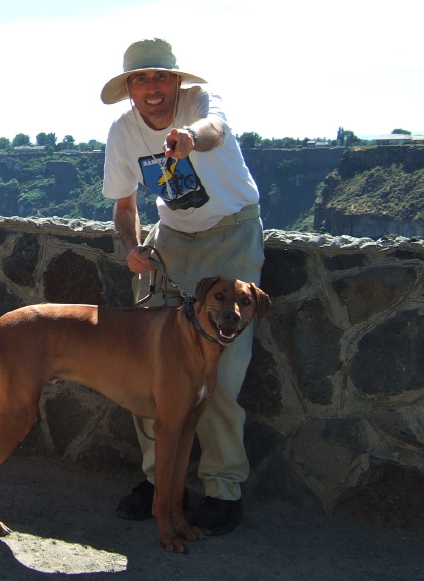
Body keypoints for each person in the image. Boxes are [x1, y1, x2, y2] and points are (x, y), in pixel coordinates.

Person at [101, 38, 264, 536]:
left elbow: (213, 131)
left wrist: (189, 137)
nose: (152, 88)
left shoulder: (201, 107)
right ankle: (160, 484)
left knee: (220, 372)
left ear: (178, 81)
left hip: (229, 235)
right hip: (171, 241)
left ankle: (222, 488)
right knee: (148, 368)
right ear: (130, 89)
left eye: (161, 77)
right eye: (141, 80)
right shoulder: (123, 133)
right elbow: (125, 207)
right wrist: (132, 248)